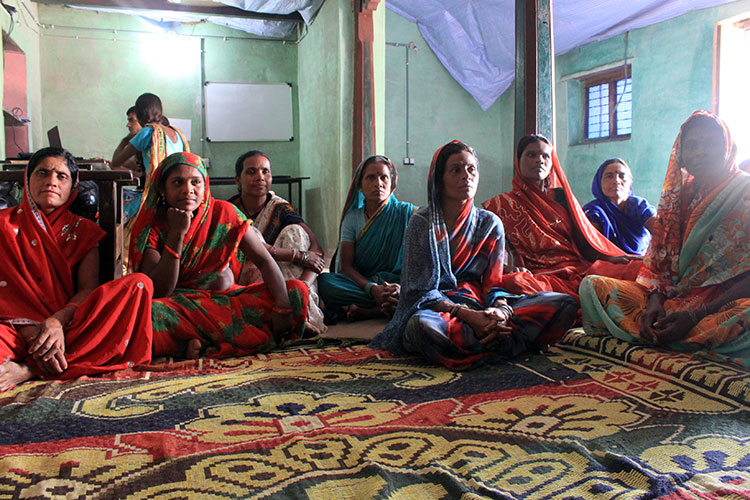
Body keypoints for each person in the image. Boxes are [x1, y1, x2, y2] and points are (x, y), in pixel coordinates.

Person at [372, 141, 577, 371]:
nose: (466, 176)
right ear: (439, 180)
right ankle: (500, 340)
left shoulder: (490, 223)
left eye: (471, 169)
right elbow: (418, 291)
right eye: (456, 170)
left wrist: (500, 311)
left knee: (563, 303)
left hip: (480, 304)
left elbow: (494, 283)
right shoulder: (422, 223)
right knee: (421, 326)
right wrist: (469, 316)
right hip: (440, 308)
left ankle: (487, 335)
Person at [580, 111, 750, 366]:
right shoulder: (679, 199)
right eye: (692, 145)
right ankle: (672, 331)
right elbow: (663, 261)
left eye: (710, 143)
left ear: (727, 146)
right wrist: (655, 302)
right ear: (681, 152)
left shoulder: (744, 192)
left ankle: (673, 334)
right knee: (592, 286)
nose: (700, 152)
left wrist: (696, 315)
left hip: (725, 303)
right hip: (677, 300)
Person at [128, 152, 309, 359]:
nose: (188, 190)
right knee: (147, 315)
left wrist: (283, 307)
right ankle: (203, 343)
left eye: (195, 182)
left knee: (296, 291)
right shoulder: (152, 226)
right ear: (163, 188)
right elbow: (159, 291)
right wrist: (177, 235)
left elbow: (264, 261)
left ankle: (194, 343)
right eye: (178, 182)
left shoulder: (224, 213)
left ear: (205, 185)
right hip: (179, 308)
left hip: (225, 303)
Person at [0, 147, 154, 391]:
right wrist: (28, 328)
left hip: (68, 328)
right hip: (12, 330)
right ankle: (55, 362)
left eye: (61, 176)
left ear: (72, 187)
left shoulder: (82, 231)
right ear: (28, 179)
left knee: (138, 284)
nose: (51, 182)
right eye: (42, 173)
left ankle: (29, 370)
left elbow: (86, 289)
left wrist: (55, 323)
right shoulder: (3, 225)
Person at [482, 135, 641, 301]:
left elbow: (584, 242)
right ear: (518, 161)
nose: (539, 160)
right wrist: (508, 268)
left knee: (640, 269)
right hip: (540, 276)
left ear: (552, 163)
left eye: (545, 156)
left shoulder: (561, 197)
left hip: (577, 270)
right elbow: (496, 251)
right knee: (513, 282)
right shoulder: (502, 205)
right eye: (531, 155)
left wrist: (611, 259)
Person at [229, 150, 327, 333]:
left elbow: (317, 249)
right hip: (248, 278)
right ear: (237, 180)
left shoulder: (280, 208)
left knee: (294, 232)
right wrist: (296, 255)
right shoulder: (230, 211)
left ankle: (301, 311)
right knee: (251, 233)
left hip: (287, 277)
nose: (260, 177)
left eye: (265, 171)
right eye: (251, 172)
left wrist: (303, 286)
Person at [317, 155, 415, 321]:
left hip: (395, 282)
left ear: (392, 183)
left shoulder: (407, 213)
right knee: (324, 281)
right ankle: (386, 306)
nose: (378, 183)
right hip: (363, 282)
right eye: (371, 177)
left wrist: (397, 288)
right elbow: (346, 267)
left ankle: (369, 310)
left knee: (420, 289)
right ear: (360, 186)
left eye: (384, 177)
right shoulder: (352, 218)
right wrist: (372, 288)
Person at [112, 93, 189, 220]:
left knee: (115, 212)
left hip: (156, 197)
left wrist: (126, 140)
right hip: (176, 193)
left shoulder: (148, 132)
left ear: (140, 115)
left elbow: (116, 161)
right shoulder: (177, 134)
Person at [583, 158, 656, 255]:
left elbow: (662, 231)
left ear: (630, 182)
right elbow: (588, 248)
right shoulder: (593, 211)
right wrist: (611, 259)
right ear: (599, 182)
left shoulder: (639, 206)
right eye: (609, 176)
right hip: (607, 264)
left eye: (622, 176)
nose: (616, 181)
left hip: (643, 263)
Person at [111, 105, 143, 176]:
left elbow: (147, 178)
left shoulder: (151, 141)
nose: (128, 125)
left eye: (132, 120)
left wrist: (121, 170)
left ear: (142, 121)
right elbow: (117, 163)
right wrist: (124, 141)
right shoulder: (137, 143)